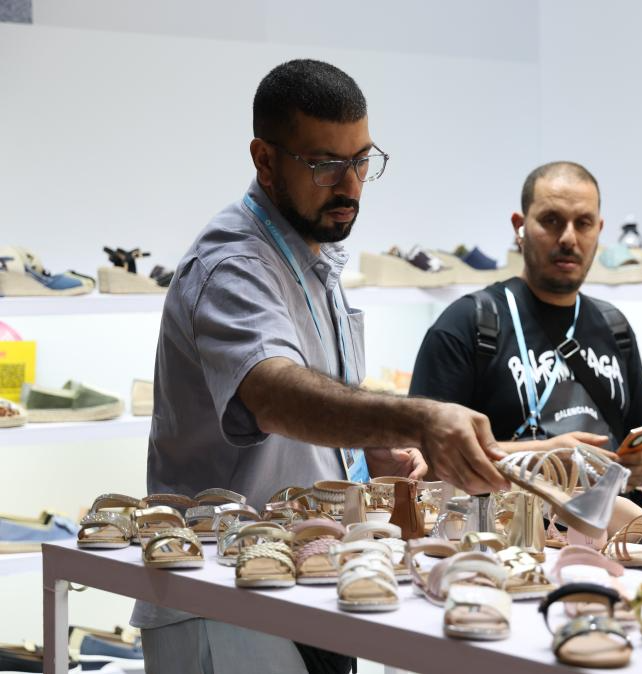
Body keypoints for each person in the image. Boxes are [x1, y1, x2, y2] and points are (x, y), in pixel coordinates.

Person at [131, 59, 507, 674]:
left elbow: (311, 399)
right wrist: (416, 419)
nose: (350, 185)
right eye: (325, 164)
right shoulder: (234, 264)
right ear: (265, 159)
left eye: (362, 160)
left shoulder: (312, 255)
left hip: (303, 579)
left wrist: (363, 451)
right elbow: (274, 394)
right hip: (222, 595)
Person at [409, 161, 642, 492]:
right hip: (503, 524)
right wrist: (542, 457)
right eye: (551, 220)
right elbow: (424, 456)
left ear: (599, 229)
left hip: (611, 522)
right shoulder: (467, 324)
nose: (569, 238)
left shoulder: (613, 325)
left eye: (583, 223)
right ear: (519, 227)